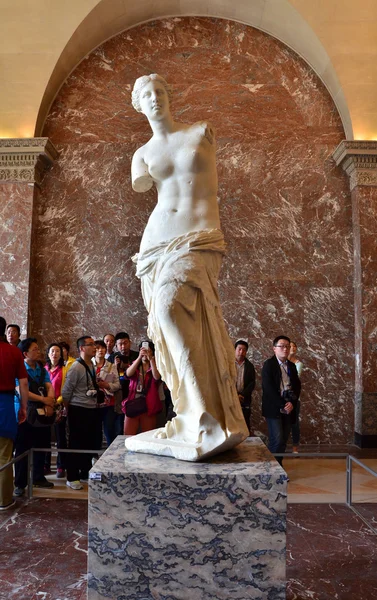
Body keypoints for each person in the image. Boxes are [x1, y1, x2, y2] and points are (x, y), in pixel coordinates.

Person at [128, 74, 248, 460]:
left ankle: (204, 414)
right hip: (157, 244)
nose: (155, 98)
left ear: (170, 96)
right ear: (138, 105)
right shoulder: (142, 155)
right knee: (168, 321)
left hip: (199, 238)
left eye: (160, 91)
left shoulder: (200, 132)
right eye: (146, 95)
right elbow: (146, 188)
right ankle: (195, 414)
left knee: (169, 309)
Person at [14, 338, 55, 496]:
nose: (38, 351)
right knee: (22, 449)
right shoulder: (18, 368)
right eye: (35, 349)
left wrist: (49, 402)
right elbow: (21, 390)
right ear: (25, 353)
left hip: (41, 413)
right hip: (24, 413)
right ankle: (20, 483)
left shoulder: (41, 369)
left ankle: (38, 476)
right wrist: (43, 399)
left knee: (41, 445)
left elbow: (49, 386)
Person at [62, 336, 102, 491]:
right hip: (78, 409)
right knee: (75, 443)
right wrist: (67, 409)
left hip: (90, 408)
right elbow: (66, 392)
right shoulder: (76, 367)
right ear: (82, 348)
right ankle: (72, 477)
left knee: (89, 442)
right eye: (91, 345)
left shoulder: (91, 364)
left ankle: (85, 472)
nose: (95, 348)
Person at [0, 317, 28, 511]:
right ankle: (3, 500)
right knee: (4, 456)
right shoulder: (14, 352)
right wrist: (24, 407)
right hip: (5, 404)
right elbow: (23, 383)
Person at [262, 335, 301, 466]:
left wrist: (292, 403)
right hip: (274, 407)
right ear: (274, 348)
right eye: (282, 346)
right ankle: (271, 468)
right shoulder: (269, 365)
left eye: (287, 346)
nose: (285, 349)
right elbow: (268, 388)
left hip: (289, 406)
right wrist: (282, 404)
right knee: (276, 439)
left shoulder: (292, 366)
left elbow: (297, 386)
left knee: (284, 440)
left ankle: (278, 465)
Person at [123, 341, 162, 435]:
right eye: (142, 350)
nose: (145, 352)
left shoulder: (157, 366)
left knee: (147, 435)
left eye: (148, 350)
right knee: (128, 435)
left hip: (149, 404)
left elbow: (157, 377)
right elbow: (128, 374)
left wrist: (151, 359)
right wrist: (139, 357)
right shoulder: (135, 365)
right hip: (133, 402)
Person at [45, 343, 68, 477]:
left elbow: (65, 389)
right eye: (52, 351)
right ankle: (45, 464)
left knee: (61, 437)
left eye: (57, 351)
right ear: (48, 354)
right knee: (45, 436)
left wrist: (56, 401)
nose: (55, 353)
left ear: (61, 354)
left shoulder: (65, 370)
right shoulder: (43, 369)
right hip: (46, 406)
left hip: (59, 406)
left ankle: (61, 466)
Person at [93, 340, 120, 446]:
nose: (100, 350)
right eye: (98, 348)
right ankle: (94, 455)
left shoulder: (111, 366)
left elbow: (117, 384)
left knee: (109, 429)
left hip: (108, 403)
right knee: (95, 431)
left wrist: (107, 385)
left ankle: (111, 454)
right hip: (93, 403)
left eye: (103, 348)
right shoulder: (89, 364)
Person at [234, 340, 256, 434]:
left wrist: (242, 395)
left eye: (244, 350)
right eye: (239, 349)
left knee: (245, 422)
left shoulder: (250, 366)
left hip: (244, 399)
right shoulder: (228, 364)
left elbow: (252, 383)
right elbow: (226, 381)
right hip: (230, 397)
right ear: (235, 350)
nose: (241, 352)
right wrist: (235, 395)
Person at [288, 341, 303, 453]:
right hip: (281, 398)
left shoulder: (298, 363)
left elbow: (294, 380)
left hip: (294, 398)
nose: (293, 348)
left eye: (295, 346)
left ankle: (295, 447)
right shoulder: (280, 362)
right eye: (291, 346)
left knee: (294, 423)